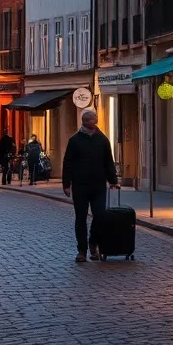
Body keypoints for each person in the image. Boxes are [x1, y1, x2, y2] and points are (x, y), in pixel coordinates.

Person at [62, 108, 118, 263]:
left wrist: (113, 180)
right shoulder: (75, 140)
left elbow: (108, 161)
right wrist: (67, 184)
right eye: (86, 120)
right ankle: (82, 250)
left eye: (92, 120)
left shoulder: (102, 139)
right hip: (80, 185)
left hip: (98, 184)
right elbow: (68, 163)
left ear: (96, 121)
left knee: (99, 215)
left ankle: (93, 242)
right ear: (83, 122)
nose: (89, 122)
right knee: (80, 218)